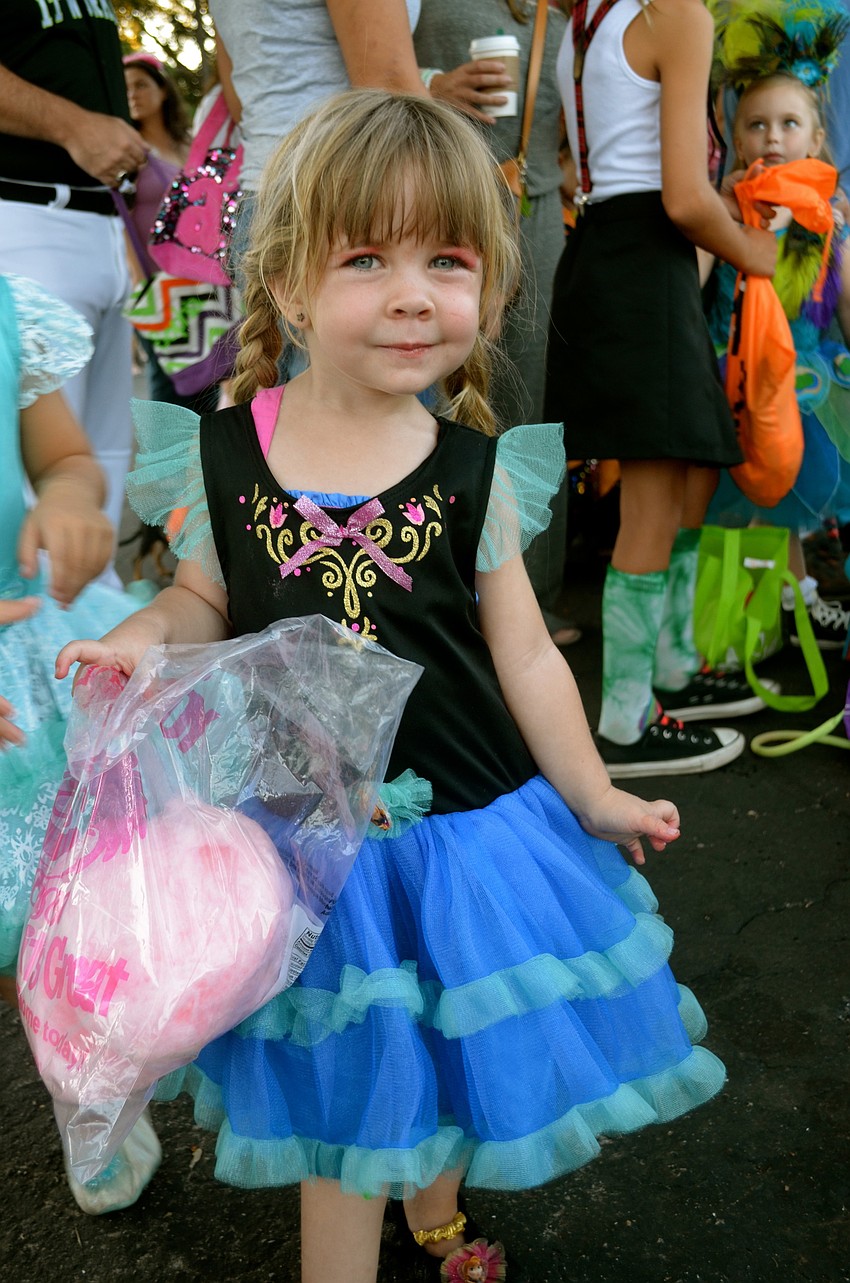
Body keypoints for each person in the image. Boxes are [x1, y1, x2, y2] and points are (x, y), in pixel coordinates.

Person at [58, 90, 726, 1283]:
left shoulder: (474, 471)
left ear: (488, 288)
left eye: (447, 259)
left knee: (446, 1035)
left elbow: (525, 655)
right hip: (306, 847)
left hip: (468, 831)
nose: (414, 290)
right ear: (291, 285)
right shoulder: (227, 452)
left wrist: (595, 793)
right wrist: (141, 638)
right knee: (351, 1084)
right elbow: (204, 599)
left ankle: (434, 1212)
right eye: (367, 256)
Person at [544, 0, 779, 778]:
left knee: (679, 474)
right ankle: (626, 717)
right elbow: (681, 196)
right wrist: (755, 248)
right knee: (652, 495)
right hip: (646, 255)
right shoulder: (675, 12)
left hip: (612, 253)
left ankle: (671, 671)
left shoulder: (584, 18)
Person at [0, 273, 155, 1213]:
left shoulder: (10, 308)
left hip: (32, 642)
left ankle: (93, 1102)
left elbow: (63, 457)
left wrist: (67, 500)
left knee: (67, 891)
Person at [415, 0, 579, 646]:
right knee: (433, 399)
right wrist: (434, 84)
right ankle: (436, 594)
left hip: (534, 213)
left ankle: (533, 597)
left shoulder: (562, 11)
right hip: (441, 200)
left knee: (525, 401)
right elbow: (359, 72)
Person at [704, 0, 850, 650]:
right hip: (738, 372)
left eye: (789, 123)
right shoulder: (728, 208)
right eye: (757, 124)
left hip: (808, 376)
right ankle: (740, 632)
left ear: (817, 139)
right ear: (736, 138)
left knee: (790, 496)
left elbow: (840, 294)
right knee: (743, 504)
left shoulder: (828, 213)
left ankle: (797, 600)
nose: (772, 136)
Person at [0, 2, 148, 584]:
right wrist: (72, 124)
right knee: (28, 478)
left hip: (102, 219)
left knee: (103, 454)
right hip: (24, 211)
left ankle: (90, 633)